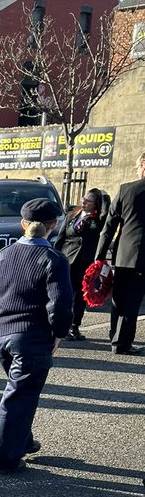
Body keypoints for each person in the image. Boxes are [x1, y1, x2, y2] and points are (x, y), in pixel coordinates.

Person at [0, 198, 72, 474]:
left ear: (23, 224)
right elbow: (60, 303)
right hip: (31, 336)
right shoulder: (53, 259)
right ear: (53, 226)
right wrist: (59, 333)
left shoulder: (2, 256)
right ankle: (2, 460)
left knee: (20, 392)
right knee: (18, 396)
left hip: (2, 336)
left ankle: (22, 441)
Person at [95, 151, 145, 355]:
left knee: (119, 298)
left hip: (123, 253)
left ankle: (114, 336)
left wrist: (98, 258)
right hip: (142, 258)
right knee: (132, 301)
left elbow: (108, 227)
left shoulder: (125, 190)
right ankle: (122, 344)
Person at [54, 188, 104, 340]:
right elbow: (60, 238)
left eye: (89, 200)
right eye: (84, 198)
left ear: (96, 204)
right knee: (65, 294)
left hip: (84, 263)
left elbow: (107, 212)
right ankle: (62, 325)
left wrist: (103, 197)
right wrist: (54, 257)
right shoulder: (72, 215)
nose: (84, 202)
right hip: (67, 260)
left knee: (80, 296)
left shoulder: (98, 220)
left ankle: (75, 326)